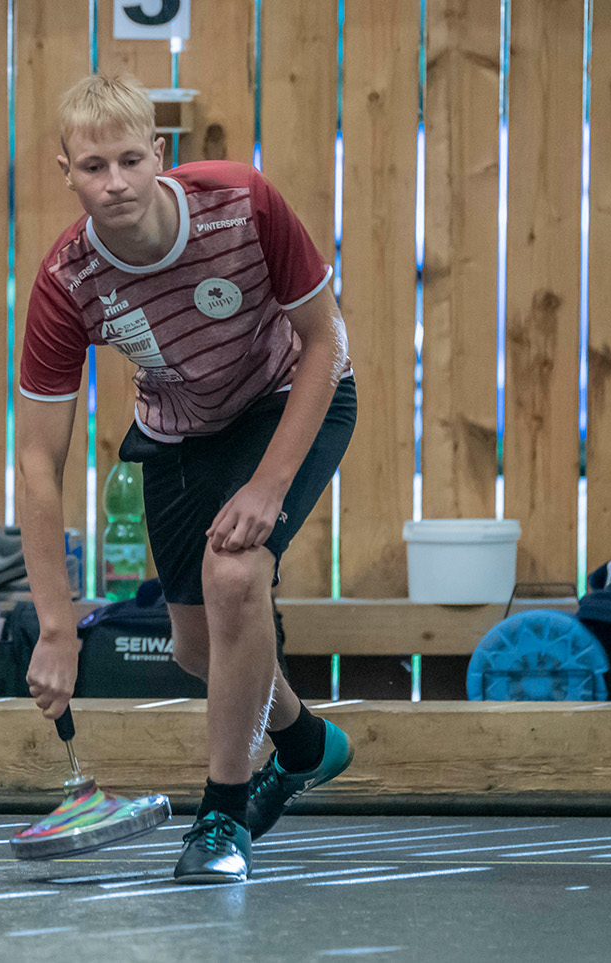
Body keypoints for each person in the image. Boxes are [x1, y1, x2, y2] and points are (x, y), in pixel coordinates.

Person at [18, 74, 358, 883]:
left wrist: (269, 485)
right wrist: (56, 627)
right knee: (201, 648)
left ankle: (221, 819)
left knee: (236, 572)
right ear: (65, 171)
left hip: (288, 397)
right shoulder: (67, 281)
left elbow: (325, 340)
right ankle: (308, 744)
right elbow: (37, 461)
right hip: (175, 431)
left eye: (130, 160)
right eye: (93, 166)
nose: (115, 183)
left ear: (159, 155)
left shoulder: (242, 204)